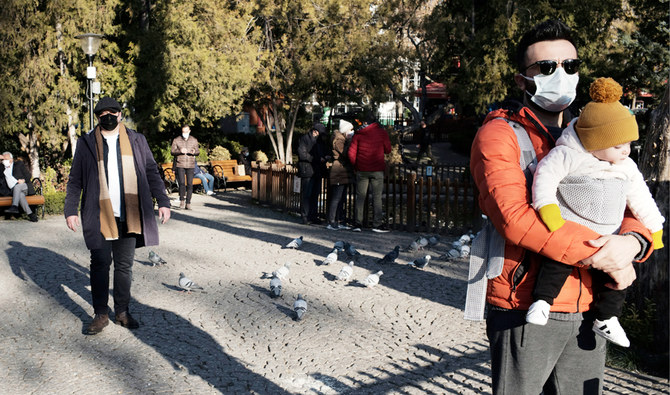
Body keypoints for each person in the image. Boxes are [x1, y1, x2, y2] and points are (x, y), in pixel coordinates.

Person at [468, 20, 654, 394]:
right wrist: (601, 254)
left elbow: (631, 195)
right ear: (522, 80)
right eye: (547, 67)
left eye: (570, 66)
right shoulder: (500, 134)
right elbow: (516, 219)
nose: (562, 74)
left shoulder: (594, 133)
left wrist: (632, 244)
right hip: (526, 303)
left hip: (591, 304)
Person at [527, 77, 664, 347]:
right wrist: (548, 208)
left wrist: (655, 227)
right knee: (556, 264)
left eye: (629, 144)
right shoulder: (568, 155)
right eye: (617, 145)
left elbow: (640, 198)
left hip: (608, 235)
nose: (626, 151)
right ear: (594, 141)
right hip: (571, 228)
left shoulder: (626, 166)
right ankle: (542, 301)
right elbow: (544, 178)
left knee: (619, 274)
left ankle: (608, 318)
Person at [64, 97, 171, 335]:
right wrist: (70, 210)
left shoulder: (136, 139)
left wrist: (163, 201)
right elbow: (75, 179)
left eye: (113, 113)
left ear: (120, 115)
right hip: (100, 214)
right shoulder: (87, 142)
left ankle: (122, 311)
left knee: (124, 266)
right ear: (98, 118)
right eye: (103, 115)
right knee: (100, 264)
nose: (109, 117)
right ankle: (101, 314)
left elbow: (152, 171)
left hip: (129, 214)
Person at [347, 117, 392, 233]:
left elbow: (351, 153)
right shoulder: (382, 133)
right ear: (375, 123)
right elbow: (388, 150)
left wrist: (356, 166)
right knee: (377, 197)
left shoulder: (358, 134)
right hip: (377, 170)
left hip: (362, 170)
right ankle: (377, 224)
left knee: (360, 197)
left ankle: (358, 223)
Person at [326, 120, 355, 230]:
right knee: (336, 197)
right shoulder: (339, 140)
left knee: (341, 197)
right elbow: (345, 153)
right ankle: (332, 221)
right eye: (350, 130)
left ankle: (339, 220)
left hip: (343, 170)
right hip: (339, 170)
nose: (351, 132)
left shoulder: (341, 139)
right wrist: (350, 141)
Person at [297, 123, 328, 225]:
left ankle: (313, 215)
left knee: (315, 194)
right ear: (315, 131)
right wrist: (316, 159)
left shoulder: (318, 141)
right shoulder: (305, 139)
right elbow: (302, 154)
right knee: (307, 194)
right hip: (308, 170)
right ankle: (305, 216)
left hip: (316, 170)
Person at [0, 152, 38, 222]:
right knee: (20, 195)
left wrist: (23, 180)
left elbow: (28, 176)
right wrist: (1, 157)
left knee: (17, 187)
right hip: (14, 191)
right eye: (3, 159)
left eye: (6, 159)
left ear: (11, 159)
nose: (4, 161)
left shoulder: (19, 164)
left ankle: (14, 206)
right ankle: (31, 214)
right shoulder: (2, 169)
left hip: (24, 186)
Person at [171, 125, 199, 209]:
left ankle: (188, 202)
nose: (185, 133)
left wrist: (194, 152)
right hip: (180, 164)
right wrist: (179, 151)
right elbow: (172, 151)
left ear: (189, 131)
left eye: (186, 132)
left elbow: (198, 151)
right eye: (183, 132)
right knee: (182, 183)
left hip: (190, 164)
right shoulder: (176, 140)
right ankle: (182, 200)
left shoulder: (194, 140)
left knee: (190, 184)